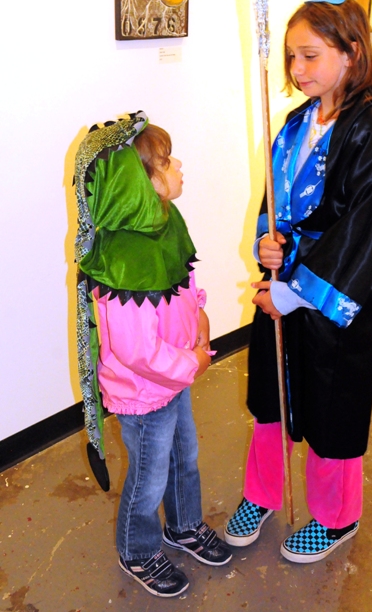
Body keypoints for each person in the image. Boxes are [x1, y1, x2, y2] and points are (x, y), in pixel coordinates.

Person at [224, 0, 372, 563]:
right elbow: (276, 202)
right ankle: (263, 493)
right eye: (291, 57)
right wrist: (267, 241)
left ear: (352, 53)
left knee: (333, 403)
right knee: (271, 394)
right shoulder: (296, 122)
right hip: (281, 285)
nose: (298, 69)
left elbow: (369, 228)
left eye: (310, 55)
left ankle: (335, 516)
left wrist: (291, 291)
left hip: (335, 294)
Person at [74, 113, 231, 599]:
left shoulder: (164, 223)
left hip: (171, 380)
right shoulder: (123, 256)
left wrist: (200, 317)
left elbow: (180, 286)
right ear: (134, 186)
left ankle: (183, 525)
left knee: (185, 454)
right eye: (166, 161)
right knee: (149, 474)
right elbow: (136, 349)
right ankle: (137, 549)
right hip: (145, 392)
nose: (178, 165)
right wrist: (194, 364)